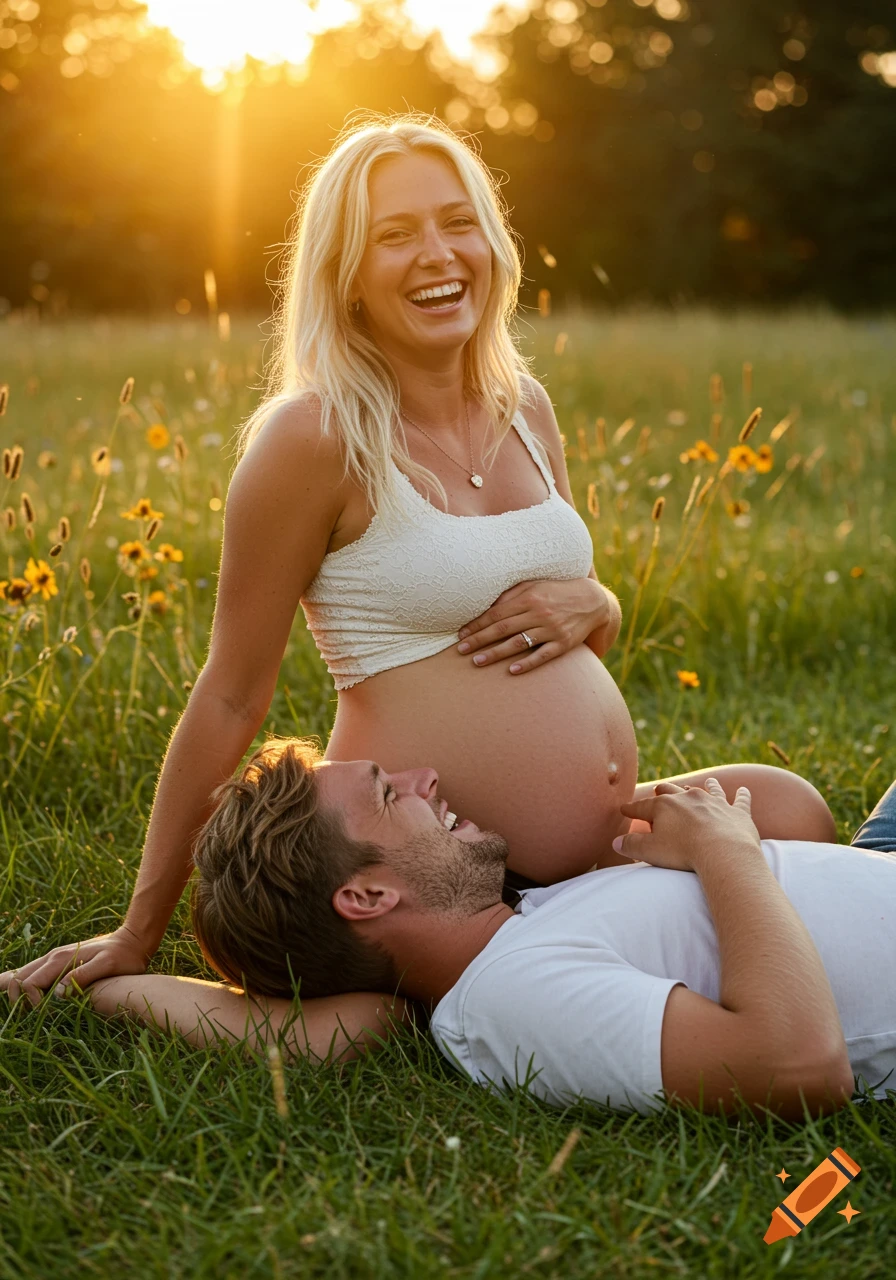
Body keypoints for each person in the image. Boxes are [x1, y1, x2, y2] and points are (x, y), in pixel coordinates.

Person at [3, 112, 834, 1016]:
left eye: (456, 222)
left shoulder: (528, 408)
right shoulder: (313, 440)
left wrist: (599, 603)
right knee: (360, 1032)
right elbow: (231, 695)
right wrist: (137, 927)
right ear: (346, 277)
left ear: (492, 242)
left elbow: (564, 625)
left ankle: (606, 915)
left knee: (790, 809)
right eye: (394, 236)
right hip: (436, 869)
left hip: (592, 829)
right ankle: (155, 995)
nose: (438, 255)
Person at [6, 739, 890, 1121]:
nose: (427, 775)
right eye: (393, 796)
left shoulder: (526, 919)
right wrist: (726, 856)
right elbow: (795, 1068)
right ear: (366, 899)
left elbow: (786, 810)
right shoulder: (513, 999)